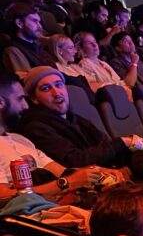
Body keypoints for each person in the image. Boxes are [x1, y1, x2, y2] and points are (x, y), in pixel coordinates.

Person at [0, 73, 109, 201]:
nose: (26, 106)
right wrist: (64, 183)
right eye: (20, 99)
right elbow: (3, 194)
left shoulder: (21, 140)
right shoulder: (35, 128)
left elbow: (64, 172)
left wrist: (99, 172)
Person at [2, 3, 54, 79]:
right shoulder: (13, 50)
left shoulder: (37, 45)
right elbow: (29, 80)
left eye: (39, 22)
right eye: (34, 21)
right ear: (19, 23)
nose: (40, 26)